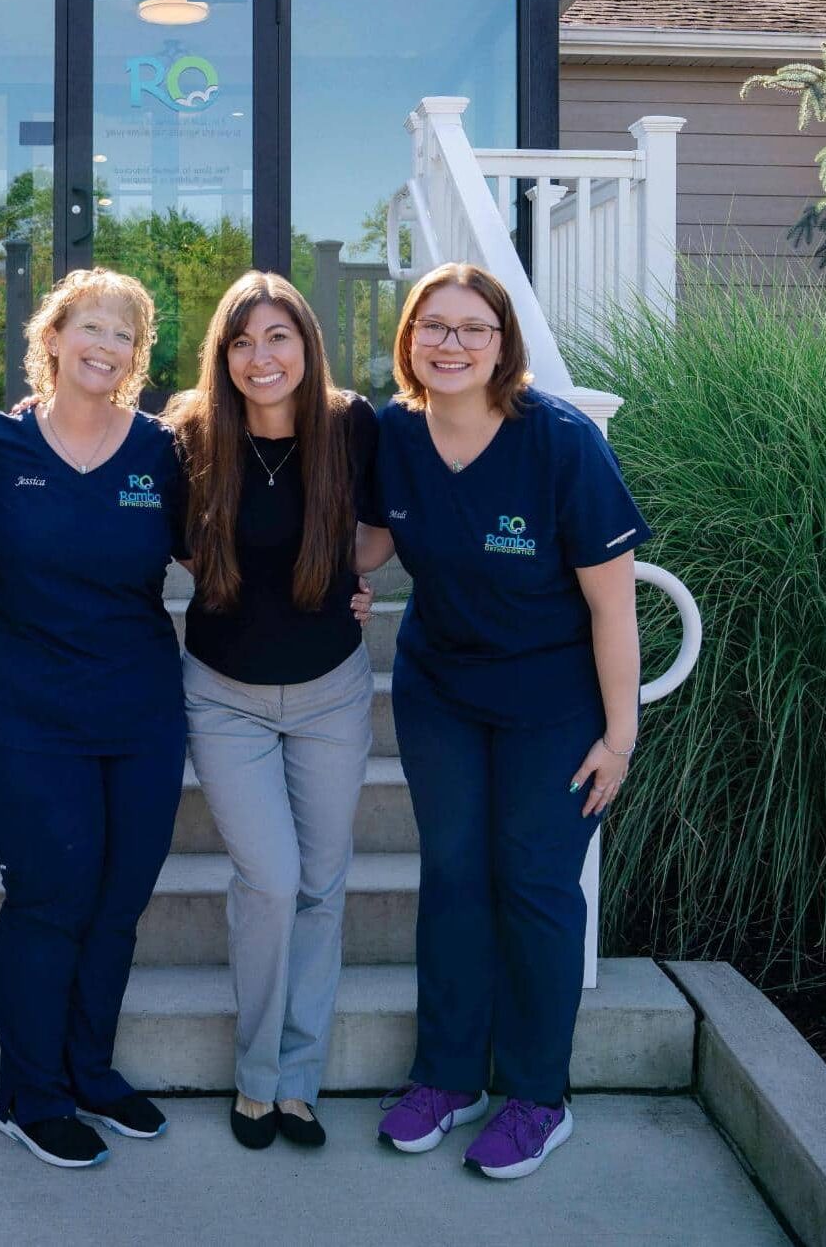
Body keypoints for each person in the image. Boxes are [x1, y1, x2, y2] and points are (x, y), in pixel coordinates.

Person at [359, 262, 649, 1180]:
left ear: (502, 343)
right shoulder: (394, 435)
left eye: (470, 328)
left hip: (551, 703)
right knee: (450, 875)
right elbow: (372, 534)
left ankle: (535, 1095)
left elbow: (613, 609)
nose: (449, 344)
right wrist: (342, 575)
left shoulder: (559, 443)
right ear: (408, 340)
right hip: (440, 689)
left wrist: (618, 735)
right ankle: (445, 1077)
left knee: (532, 883)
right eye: (431, 327)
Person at [0, 268, 187, 1170]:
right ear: (51, 337)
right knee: (52, 894)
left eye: (123, 333)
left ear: (136, 355)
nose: (104, 344)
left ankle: (89, 1068)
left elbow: (222, 553)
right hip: (22, 712)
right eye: (87, 325)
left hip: (138, 710)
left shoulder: (163, 450)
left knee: (119, 900)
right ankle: (30, 1091)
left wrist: (344, 589)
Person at [165, 272, 381, 1151]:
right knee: (270, 879)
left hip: (332, 687)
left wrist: (353, 580)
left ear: (306, 344)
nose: (262, 357)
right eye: (243, 341)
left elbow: (379, 528)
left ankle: (300, 1081)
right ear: (224, 353)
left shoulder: (350, 424)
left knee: (322, 886)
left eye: (278, 337)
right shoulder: (188, 435)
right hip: (224, 694)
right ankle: (255, 1077)